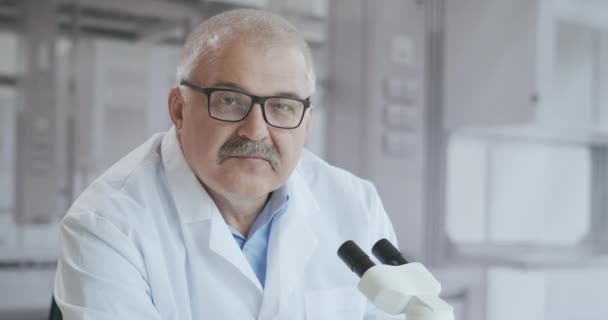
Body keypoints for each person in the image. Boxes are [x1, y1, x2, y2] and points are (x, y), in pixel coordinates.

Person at [54, 8, 399, 320]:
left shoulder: (357, 205)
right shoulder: (106, 226)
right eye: (230, 100)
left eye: (282, 106)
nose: (256, 131)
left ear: (307, 122)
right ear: (179, 110)